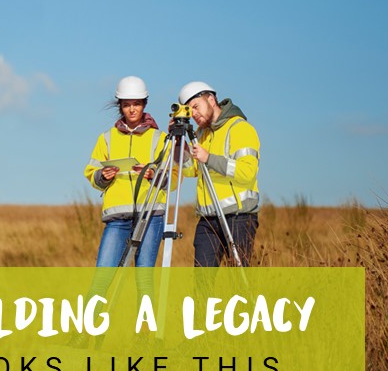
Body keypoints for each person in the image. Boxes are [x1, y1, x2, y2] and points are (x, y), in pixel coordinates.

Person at [84, 76, 172, 269]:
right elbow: (92, 173)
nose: (132, 109)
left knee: (144, 277)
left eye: (137, 104)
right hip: (117, 218)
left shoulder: (160, 138)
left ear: (144, 104)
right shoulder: (106, 138)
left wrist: (153, 175)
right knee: (102, 276)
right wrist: (103, 176)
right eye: (127, 105)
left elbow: (173, 177)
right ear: (120, 106)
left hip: (150, 216)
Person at [178, 81, 260, 267]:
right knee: (202, 281)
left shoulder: (240, 128)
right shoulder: (200, 134)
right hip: (208, 219)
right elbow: (192, 169)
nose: (194, 114)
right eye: (190, 111)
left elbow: (247, 172)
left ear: (211, 99)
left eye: (196, 107)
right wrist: (177, 142)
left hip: (239, 217)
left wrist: (209, 158)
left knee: (238, 280)